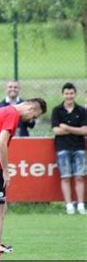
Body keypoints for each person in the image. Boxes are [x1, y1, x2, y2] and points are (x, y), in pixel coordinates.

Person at [0, 97, 46, 261]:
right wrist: (6, 170)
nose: (31, 120)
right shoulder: (12, 114)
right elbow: (1, 144)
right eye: (34, 117)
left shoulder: (2, 111)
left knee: (0, 210)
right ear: (31, 109)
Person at [51, 82, 87, 215]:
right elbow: (56, 130)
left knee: (79, 177)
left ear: (75, 94)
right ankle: (69, 205)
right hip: (62, 147)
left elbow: (85, 130)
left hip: (79, 147)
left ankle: (81, 204)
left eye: (71, 93)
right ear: (63, 94)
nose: (69, 96)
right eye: (67, 93)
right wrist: (76, 130)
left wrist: (66, 127)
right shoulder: (57, 110)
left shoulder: (82, 111)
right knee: (65, 177)